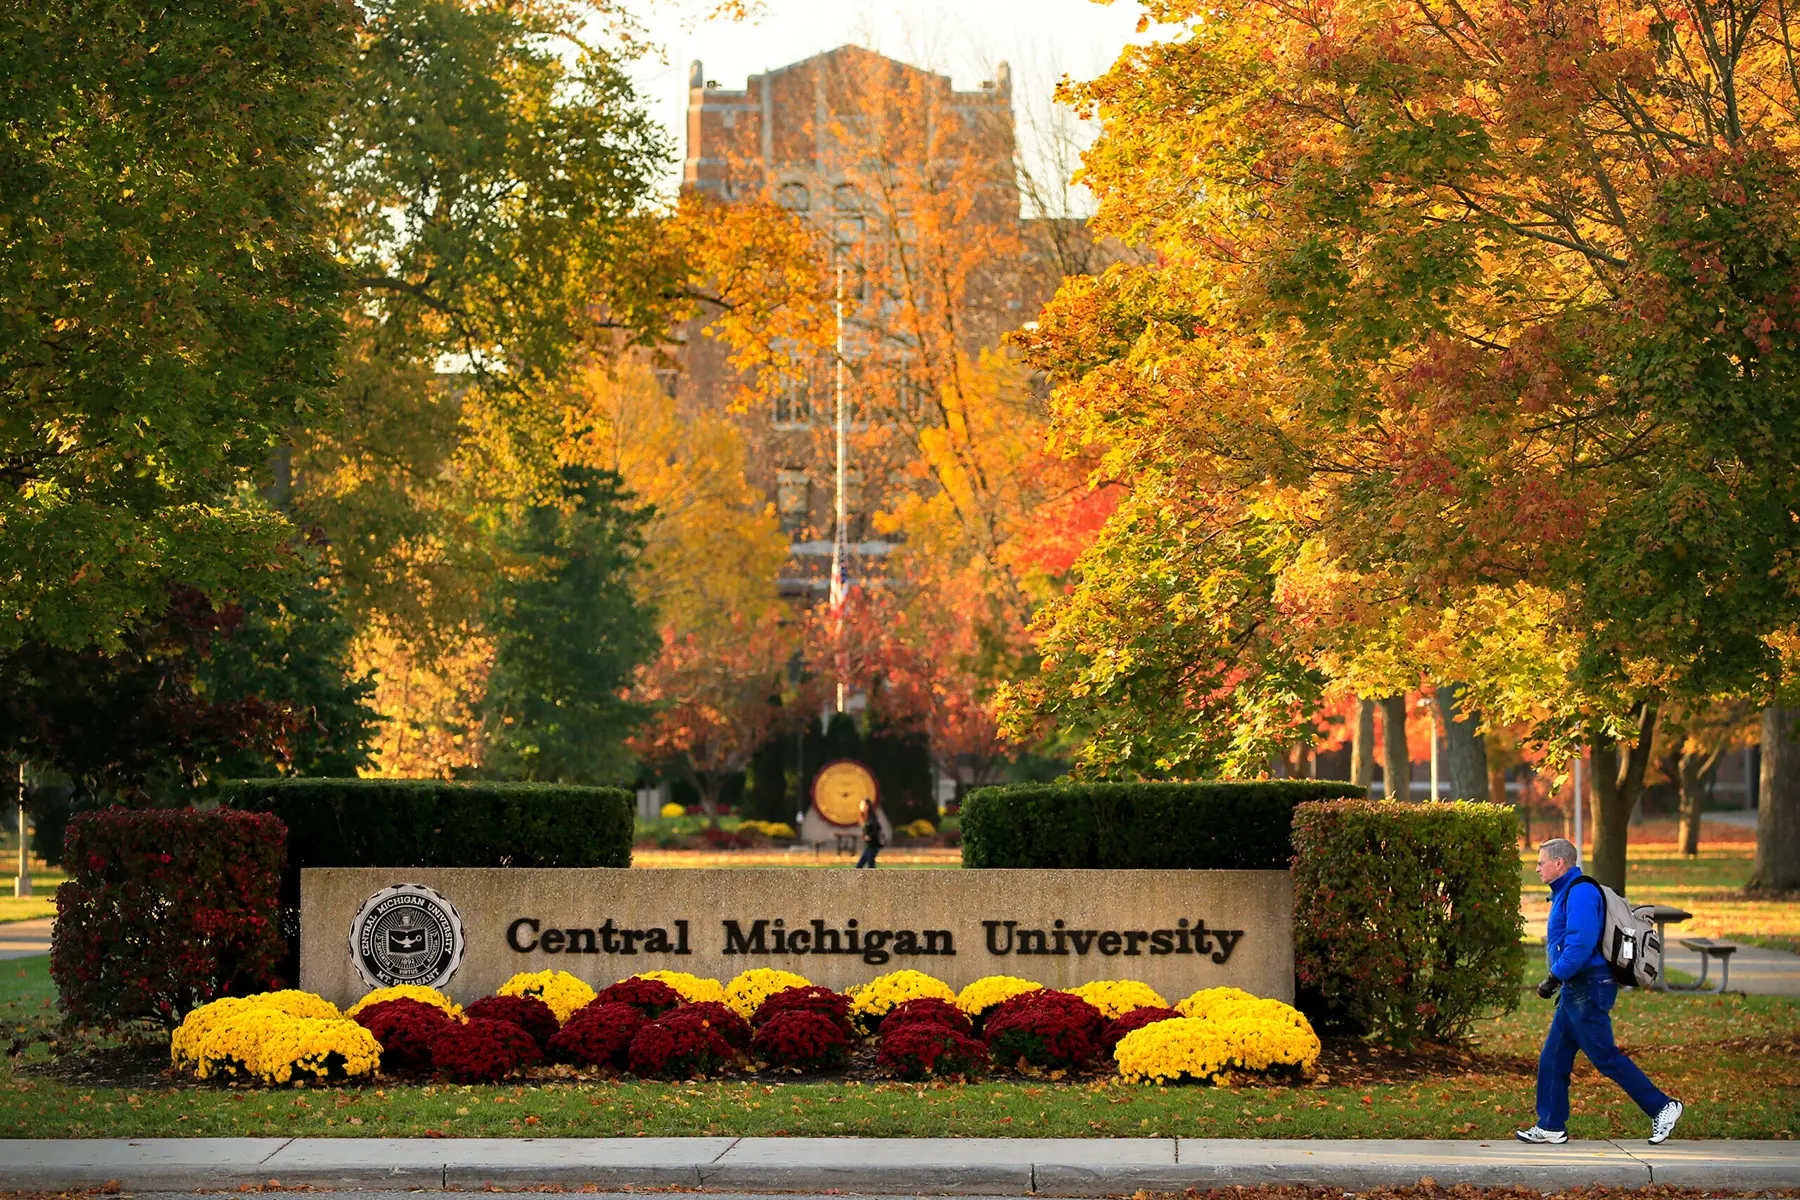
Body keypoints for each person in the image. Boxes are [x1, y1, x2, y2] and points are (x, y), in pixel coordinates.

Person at [1516, 837, 1683, 1145]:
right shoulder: (1567, 892)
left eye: (1541, 863)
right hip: (1577, 987)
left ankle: (1663, 1106)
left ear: (1559, 863)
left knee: (1604, 1056)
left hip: (1589, 986)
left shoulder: (1579, 892)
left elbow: (1580, 944)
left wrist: (1554, 976)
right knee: (1554, 1056)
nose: (1537, 868)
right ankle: (1551, 1125)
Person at [855, 797, 883, 869]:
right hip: (867, 845)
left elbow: (876, 828)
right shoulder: (863, 817)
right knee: (860, 866)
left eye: (863, 805)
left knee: (870, 866)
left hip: (873, 845)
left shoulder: (872, 817)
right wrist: (864, 835)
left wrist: (869, 836)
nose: (861, 806)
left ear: (867, 806)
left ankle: (873, 880)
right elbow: (865, 830)